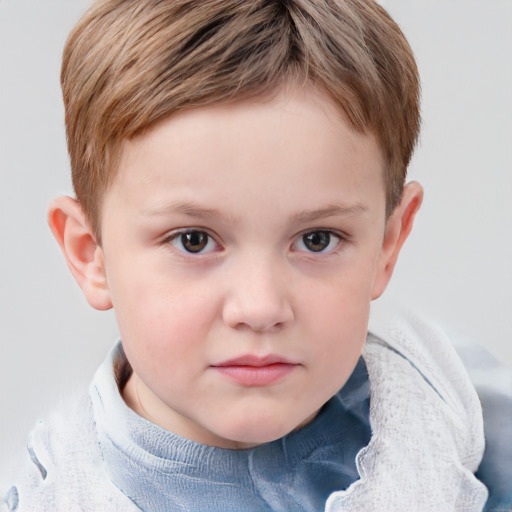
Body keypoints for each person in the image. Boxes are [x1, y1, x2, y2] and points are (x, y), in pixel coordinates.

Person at [1, 0, 510, 510]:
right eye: (193, 240)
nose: (261, 307)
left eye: (317, 239)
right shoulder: (62, 495)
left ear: (387, 243)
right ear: (92, 254)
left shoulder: (448, 392)